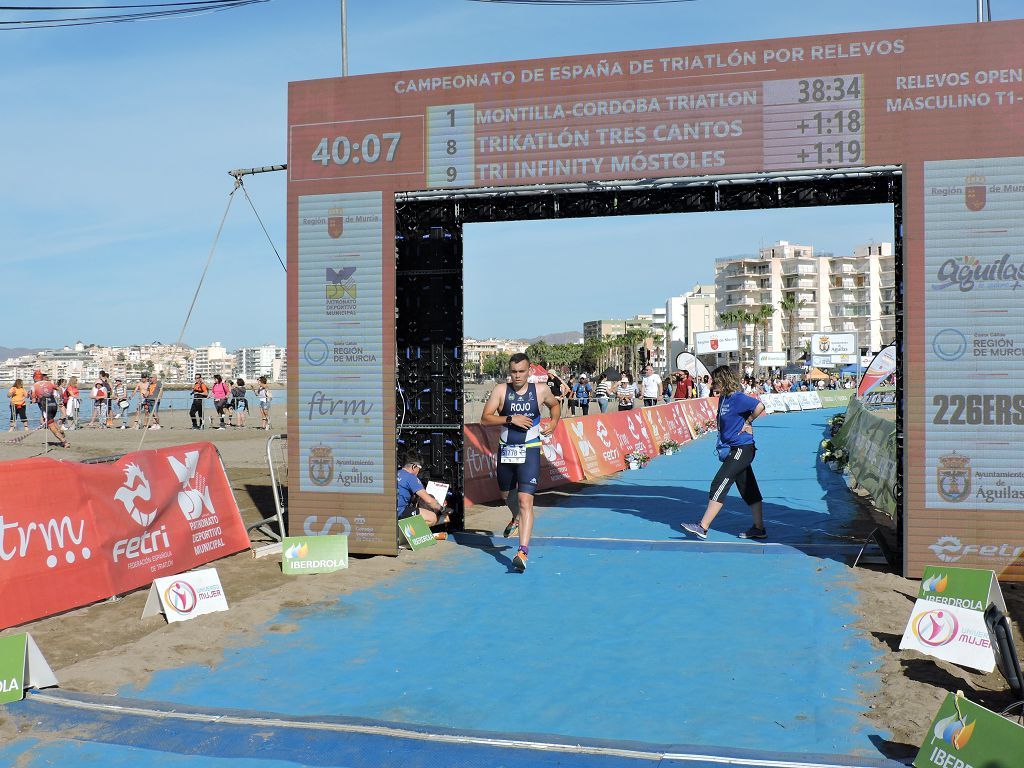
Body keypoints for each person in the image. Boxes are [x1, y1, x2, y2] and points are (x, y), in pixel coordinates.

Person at [480, 353, 561, 573]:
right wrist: (510, 418)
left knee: (526, 500)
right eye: (513, 372)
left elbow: (555, 406)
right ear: (509, 372)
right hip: (506, 450)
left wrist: (553, 422)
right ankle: (514, 516)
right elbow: (485, 418)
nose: (517, 376)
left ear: (529, 372)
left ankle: (522, 551)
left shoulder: (541, 390)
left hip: (531, 449)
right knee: (507, 495)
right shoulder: (500, 390)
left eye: (521, 372)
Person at [681, 365, 767, 541]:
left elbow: (759, 405)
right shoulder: (723, 399)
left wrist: (749, 422)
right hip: (732, 448)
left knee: (719, 483)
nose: (712, 383)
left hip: (741, 449)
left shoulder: (738, 398)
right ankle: (759, 528)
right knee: (747, 488)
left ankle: (703, 527)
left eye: (715, 380)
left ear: (724, 380)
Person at [396, 451, 451, 530]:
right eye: (419, 468)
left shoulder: (397, 473)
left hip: (390, 511)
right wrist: (443, 509)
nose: (419, 471)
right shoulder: (411, 477)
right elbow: (429, 501)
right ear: (414, 466)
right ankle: (405, 533)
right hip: (400, 511)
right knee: (432, 518)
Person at [32, 374, 69, 448]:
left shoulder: (34, 386)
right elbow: (60, 389)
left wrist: (36, 400)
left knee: (51, 426)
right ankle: (60, 430)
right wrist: (61, 398)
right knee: (52, 421)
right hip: (54, 405)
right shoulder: (49, 383)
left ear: (35, 379)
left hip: (46, 406)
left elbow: (33, 400)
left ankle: (64, 442)